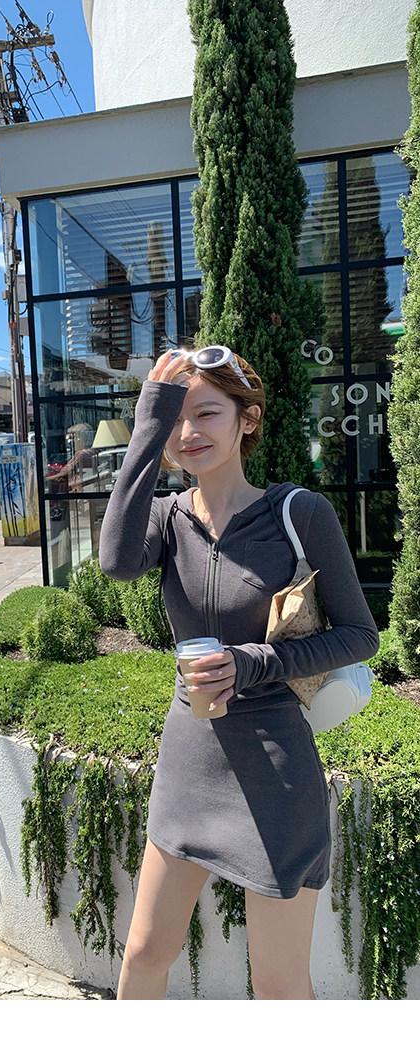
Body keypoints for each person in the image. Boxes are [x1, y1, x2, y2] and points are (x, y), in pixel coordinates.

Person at [98, 346, 379, 1001]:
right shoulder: (169, 519)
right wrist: (148, 421)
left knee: (278, 986)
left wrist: (255, 663)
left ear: (246, 420)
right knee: (143, 953)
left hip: (276, 766)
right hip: (189, 759)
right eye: (175, 420)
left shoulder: (299, 513)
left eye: (206, 413)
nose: (187, 433)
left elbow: (359, 636)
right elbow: (115, 561)